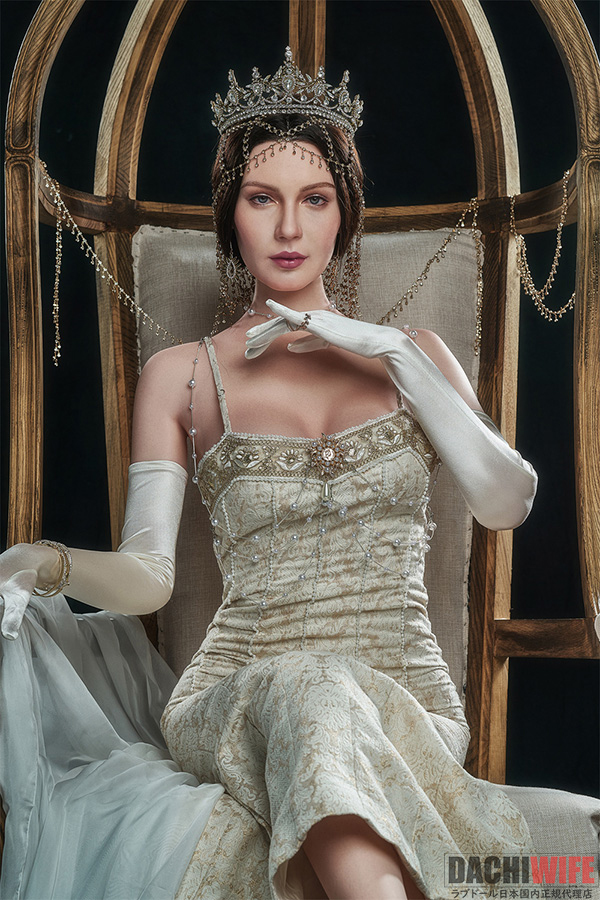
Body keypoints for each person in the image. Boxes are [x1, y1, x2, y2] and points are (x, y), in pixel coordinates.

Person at [0, 48, 538, 900]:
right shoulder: (183, 374)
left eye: (314, 199)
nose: (289, 228)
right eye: (262, 199)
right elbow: (149, 578)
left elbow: (507, 501)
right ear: (231, 216)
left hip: (408, 701)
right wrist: (50, 562)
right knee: (308, 683)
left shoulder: (416, 356)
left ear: (343, 216)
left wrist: (396, 354)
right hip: (237, 693)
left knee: (324, 706)